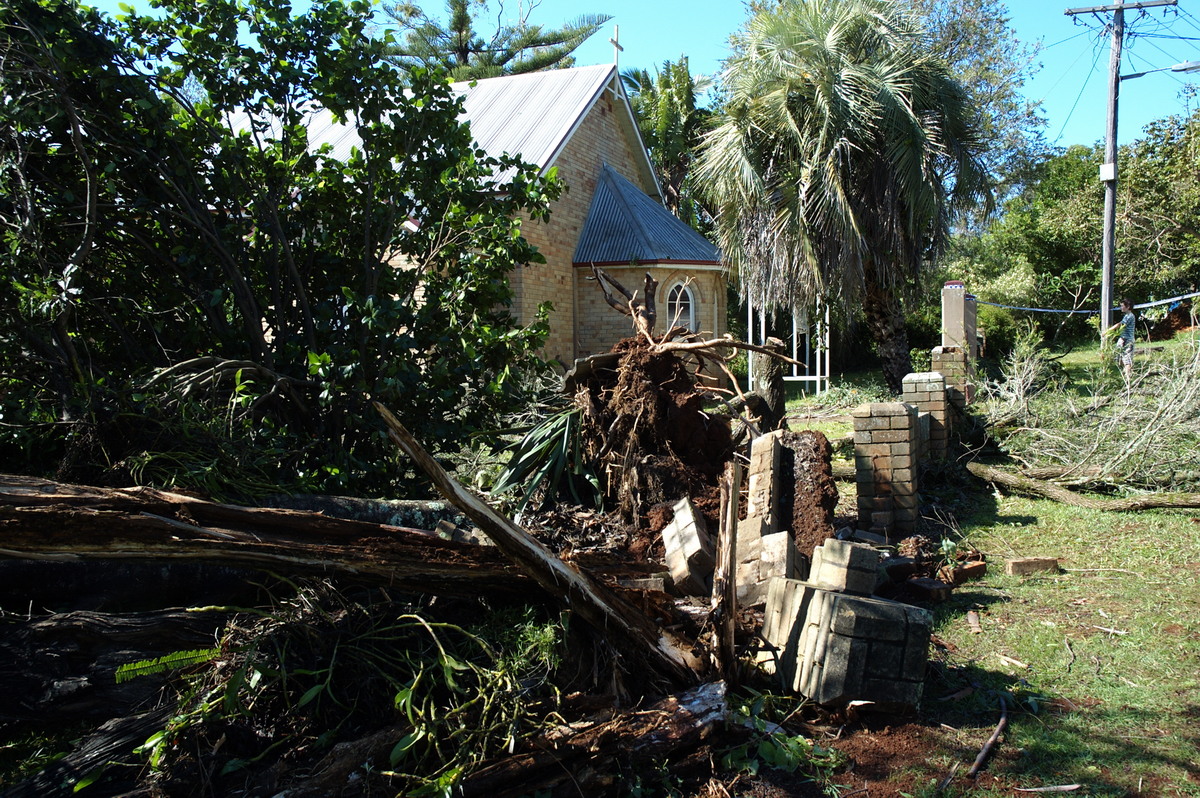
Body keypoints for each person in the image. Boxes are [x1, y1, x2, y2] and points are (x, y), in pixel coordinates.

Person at [1106, 298, 1136, 379]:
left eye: (1122, 306)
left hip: (1128, 341)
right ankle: (1126, 372)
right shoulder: (1126, 316)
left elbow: (1120, 324)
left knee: (1127, 360)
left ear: (1128, 306)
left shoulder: (1130, 316)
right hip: (1122, 340)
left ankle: (1128, 377)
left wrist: (1107, 331)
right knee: (1118, 359)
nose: (1121, 308)